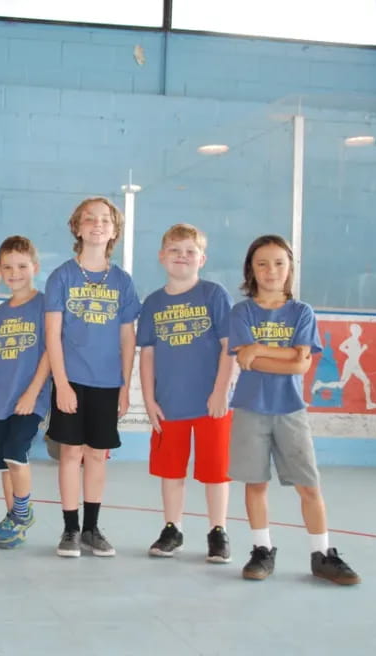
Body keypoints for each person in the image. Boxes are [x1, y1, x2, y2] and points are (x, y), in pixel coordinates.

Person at [229, 235, 360, 585]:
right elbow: (245, 361)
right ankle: (261, 549)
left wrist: (258, 349)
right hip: (249, 408)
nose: (271, 270)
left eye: (279, 263)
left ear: (289, 269)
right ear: (251, 270)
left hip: (290, 409)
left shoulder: (302, 312)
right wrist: (276, 354)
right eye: (262, 263)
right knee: (255, 484)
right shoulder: (242, 311)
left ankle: (322, 554)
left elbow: (300, 367)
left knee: (309, 486)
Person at [46, 197, 140, 558]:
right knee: (70, 453)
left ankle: (91, 528)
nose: (97, 225)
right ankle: (70, 529)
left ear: (114, 230)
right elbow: (52, 334)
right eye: (90, 219)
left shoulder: (122, 281)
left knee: (96, 456)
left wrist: (124, 385)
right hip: (72, 380)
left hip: (106, 383)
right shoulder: (62, 277)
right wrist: (63, 384)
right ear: (77, 227)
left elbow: (127, 336)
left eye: (105, 220)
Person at [137, 224, 234, 562]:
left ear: (202, 259)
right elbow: (146, 354)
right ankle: (172, 528)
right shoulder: (152, 303)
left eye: (190, 251)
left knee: (216, 470)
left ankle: (218, 531)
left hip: (212, 404)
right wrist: (149, 400)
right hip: (169, 403)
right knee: (171, 470)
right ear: (162, 256)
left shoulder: (214, 294)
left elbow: (229, 347)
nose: (182, 256)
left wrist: (220, 391)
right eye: (175, 250)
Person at [0, 237, 52, 549]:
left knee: (16, 452)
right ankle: (14, 518)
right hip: (0, 399)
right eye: (8, 267)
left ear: (34, 268)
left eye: (22, 266)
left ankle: (23, 513)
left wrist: (33, 393)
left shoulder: (44, 304)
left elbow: (50, 352)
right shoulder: (0, 312)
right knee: (3, 463)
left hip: (29, 398)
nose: (15, 273)